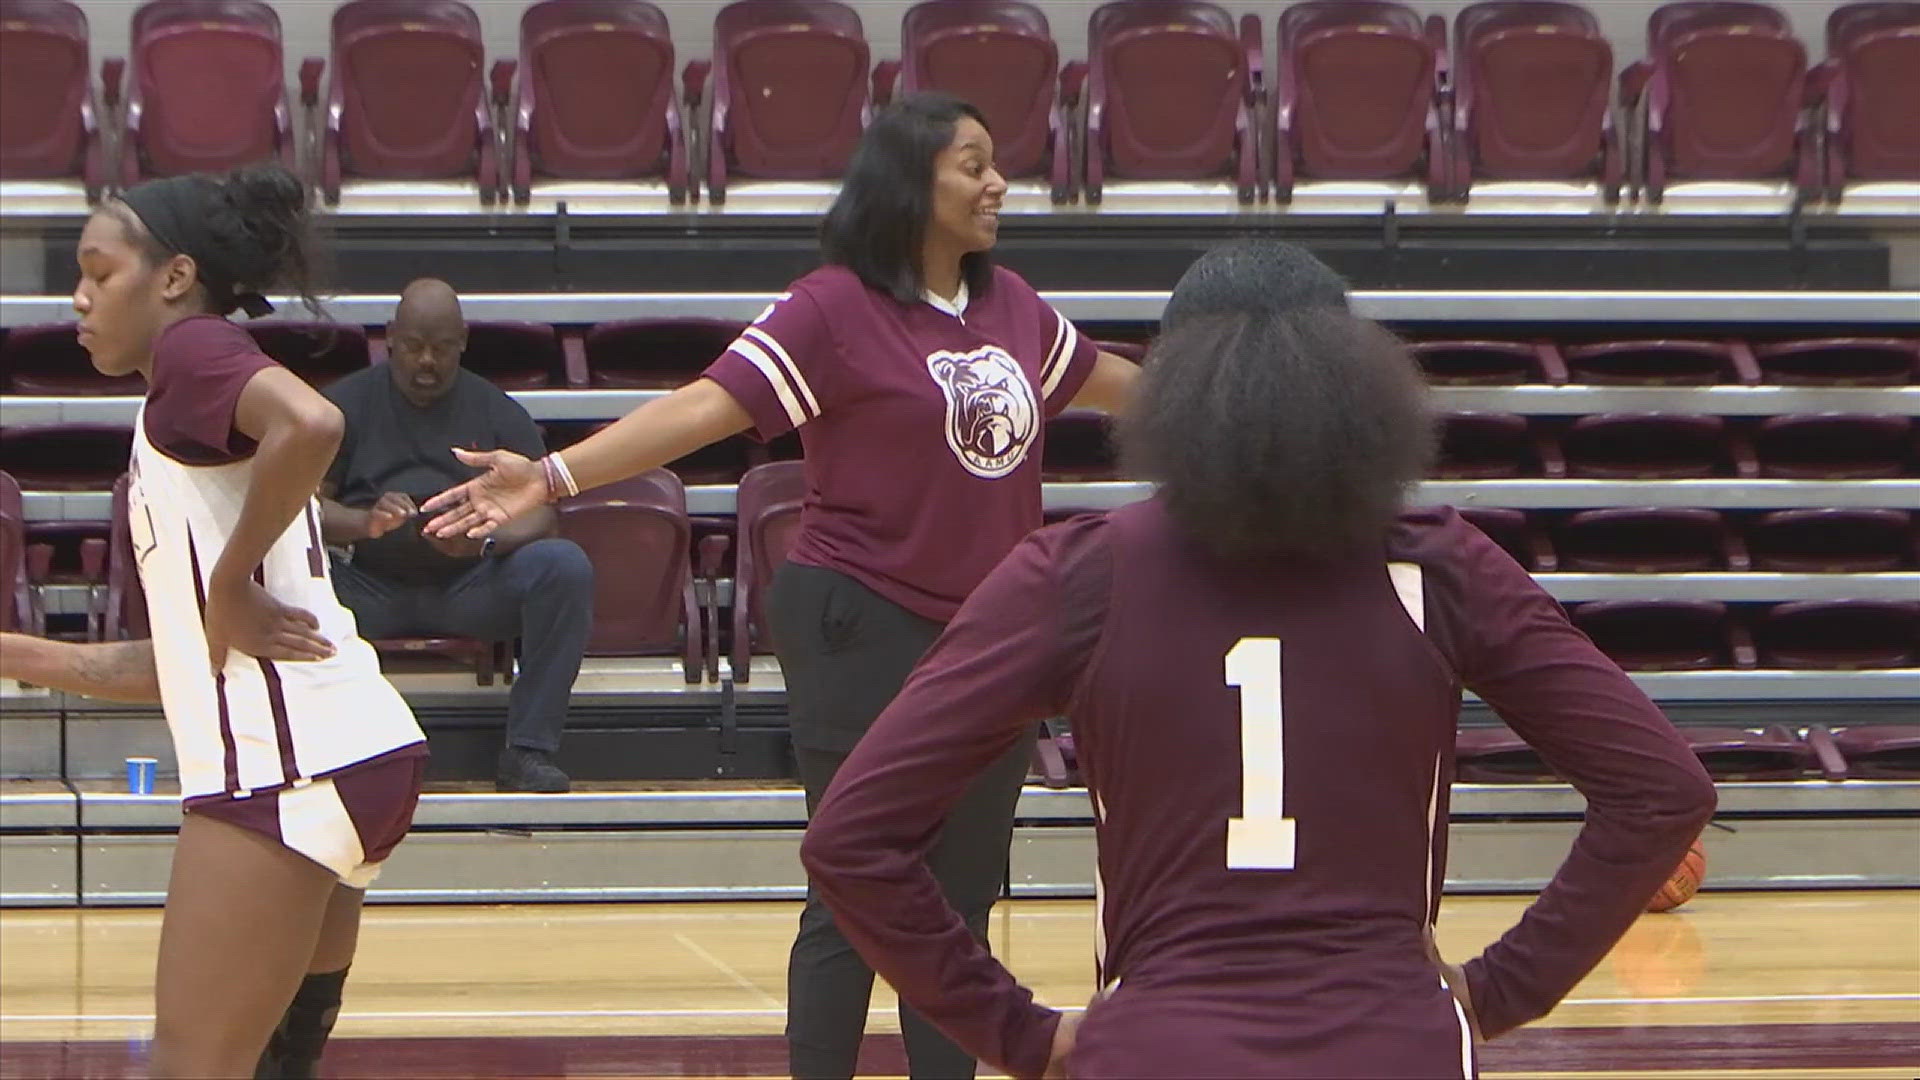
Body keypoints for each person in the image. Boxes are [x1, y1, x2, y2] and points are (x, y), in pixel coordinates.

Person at [796, 240, 1721, 1079]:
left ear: (1171, 393)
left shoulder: (1078, 575)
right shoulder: (1438, 565)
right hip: (1394, 1047)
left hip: (1156, 1049)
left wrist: (1019, 1033)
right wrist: (1499, 990)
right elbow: (1663, 790)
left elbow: (852, 841)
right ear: (1357, 384)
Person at [420, 91, 1141, 1079]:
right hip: (862, 618)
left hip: (991, 638)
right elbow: (707, 407)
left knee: (963, 895)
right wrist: (551, 475)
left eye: (995, 161)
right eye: (972, 163)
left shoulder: (1012, 305)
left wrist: (1258, 393)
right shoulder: (834, 308)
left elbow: (1128, 390)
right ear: (911, 181)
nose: (997, 181)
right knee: (856, 886)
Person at [0, 164, 428, 1079]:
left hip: (287, 770)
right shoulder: (195, 397)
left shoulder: (192, 356)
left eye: (99, 271)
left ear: (174, 277)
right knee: (275, 1062)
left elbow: (312, 423)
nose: (77, 298)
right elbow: (195, 656)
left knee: (191, 1067)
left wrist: (227, 585)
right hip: (352, 748)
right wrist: (19, 653)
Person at [318, 277, 593, 794]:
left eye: (442, 348)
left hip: (470, 585)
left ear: (463, 342)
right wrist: (364, 521)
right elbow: (301, 505)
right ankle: (314, 751)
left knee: (564, 565)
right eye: (416, 347)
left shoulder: (496, 410)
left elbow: (542, 514)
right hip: (364, 584)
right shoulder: (343, 405)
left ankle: (528, 751)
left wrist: (484, 537)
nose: (428, 361)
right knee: (283, 567)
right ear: (390, 338)